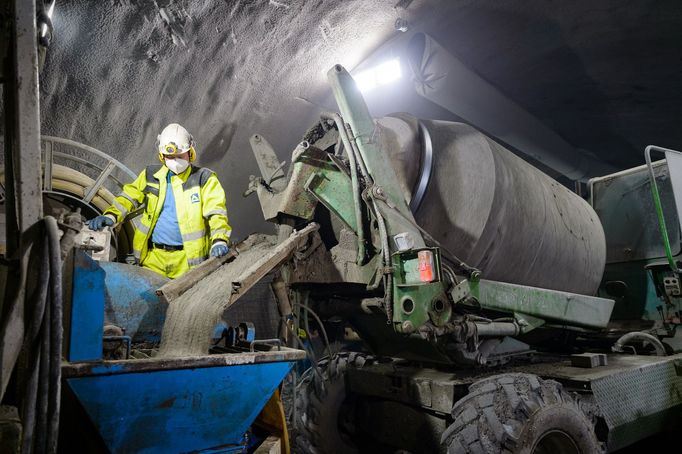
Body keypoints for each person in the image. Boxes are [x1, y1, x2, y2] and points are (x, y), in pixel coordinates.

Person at [87, 123, 231, 279]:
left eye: (180, 156)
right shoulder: (150, 175)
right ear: (162, 156)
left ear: (190, 153)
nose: (175, 160)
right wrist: (110, 216)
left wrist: (219, 240)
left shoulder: (205, 179)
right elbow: (129, 197)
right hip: (152, 259)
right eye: (170, 156)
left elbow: (216, 213)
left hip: (188, 263)